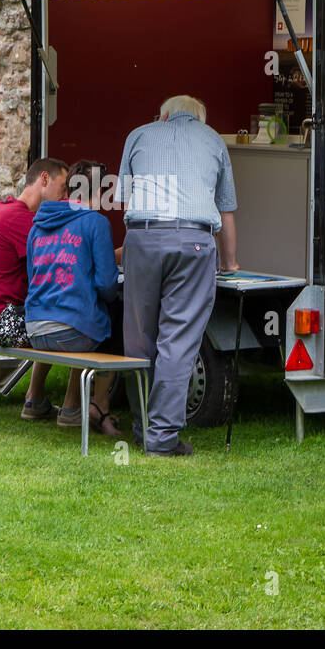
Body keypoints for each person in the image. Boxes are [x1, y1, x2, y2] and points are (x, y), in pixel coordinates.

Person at [118, 95, 238, 456]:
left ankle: (141, 427)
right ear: (200, 119)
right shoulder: (214, 139)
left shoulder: (138, 135)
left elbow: (126, 198)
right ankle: (162, 437)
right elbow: (226, 210)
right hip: (194, 241)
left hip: (141, 237)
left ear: (164, 115)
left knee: (138, 338)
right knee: (179, 340)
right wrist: (230, 264)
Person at [0, 157, 68, 420]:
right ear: (44, 179)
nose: (66, 196)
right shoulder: (21, 220)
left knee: (52, 319)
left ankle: (35, 398)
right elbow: (65, 261)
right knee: (72, 326)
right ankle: (77, 408)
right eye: (63, 187)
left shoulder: (3, 209)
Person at [24, 159, 124, 436]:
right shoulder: (96, 223)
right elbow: (106, 286)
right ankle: (77, 407)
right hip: (70, 331)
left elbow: (34, 277)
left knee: (71, 316)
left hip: (34, 328)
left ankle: (36, 399)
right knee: (105, 319)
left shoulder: (37, 226)